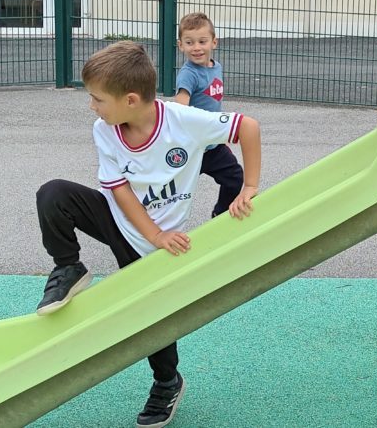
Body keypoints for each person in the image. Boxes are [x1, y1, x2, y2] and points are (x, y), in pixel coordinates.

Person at [34, 40, 262, 428]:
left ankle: (167, 382)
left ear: (131, 100)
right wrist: (153, 233)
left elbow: (249, 127)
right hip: (124, 219)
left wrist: (249, 187)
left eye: (98, 99)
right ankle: (68, 268)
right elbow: (119, 190)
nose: (92, 107)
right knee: (53, 194)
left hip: (156, 245)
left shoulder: (182, 120)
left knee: (151, 315)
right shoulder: (104, 129)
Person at [173, 12, 245, 218]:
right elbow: (181, 105)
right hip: (191, 148)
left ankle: (221, 215)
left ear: (214, 42)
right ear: (181, 45)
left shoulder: (216, 67)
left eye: (202, 41)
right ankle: (159, 224)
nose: (196, 47)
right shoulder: (188, 74)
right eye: (189, 42)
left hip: (212, 146)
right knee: (173, 191)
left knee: (234, 177)